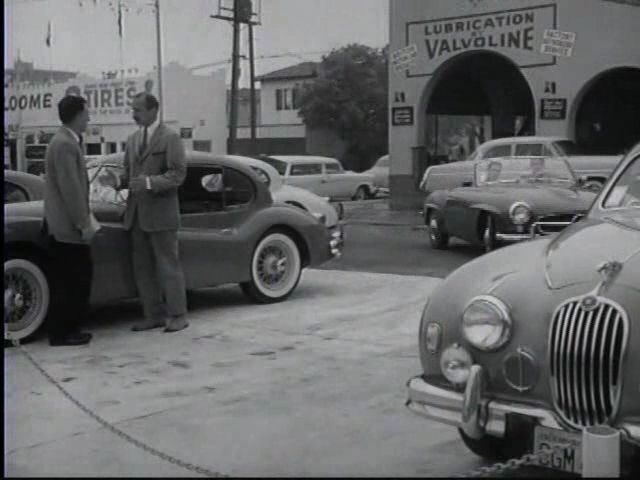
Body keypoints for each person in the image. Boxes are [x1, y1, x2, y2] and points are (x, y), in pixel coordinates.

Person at [101, 92, 188, 333]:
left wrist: (149, 182)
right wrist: (117, 180)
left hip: (161, 214)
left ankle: (179, 315)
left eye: (138, 109)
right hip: (136, 214)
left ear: (153, 110)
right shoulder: (132, 140)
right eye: (133, 108)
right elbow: (130, 177)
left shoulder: (170, 138)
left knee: (168, 266)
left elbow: (178, 175)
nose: (134, 113)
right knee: (142, 268)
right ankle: (153, 315)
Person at [44, 95, 99, 346]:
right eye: (86, 113)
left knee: (68, 278)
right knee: (75, 278)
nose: (89, 117)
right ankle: (65, 332)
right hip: (68, 227)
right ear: (77, 115)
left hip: (60, 225)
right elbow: (71, 188)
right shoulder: (66, 144)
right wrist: (83, 223)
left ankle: (65, 330)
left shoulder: (63, 140)